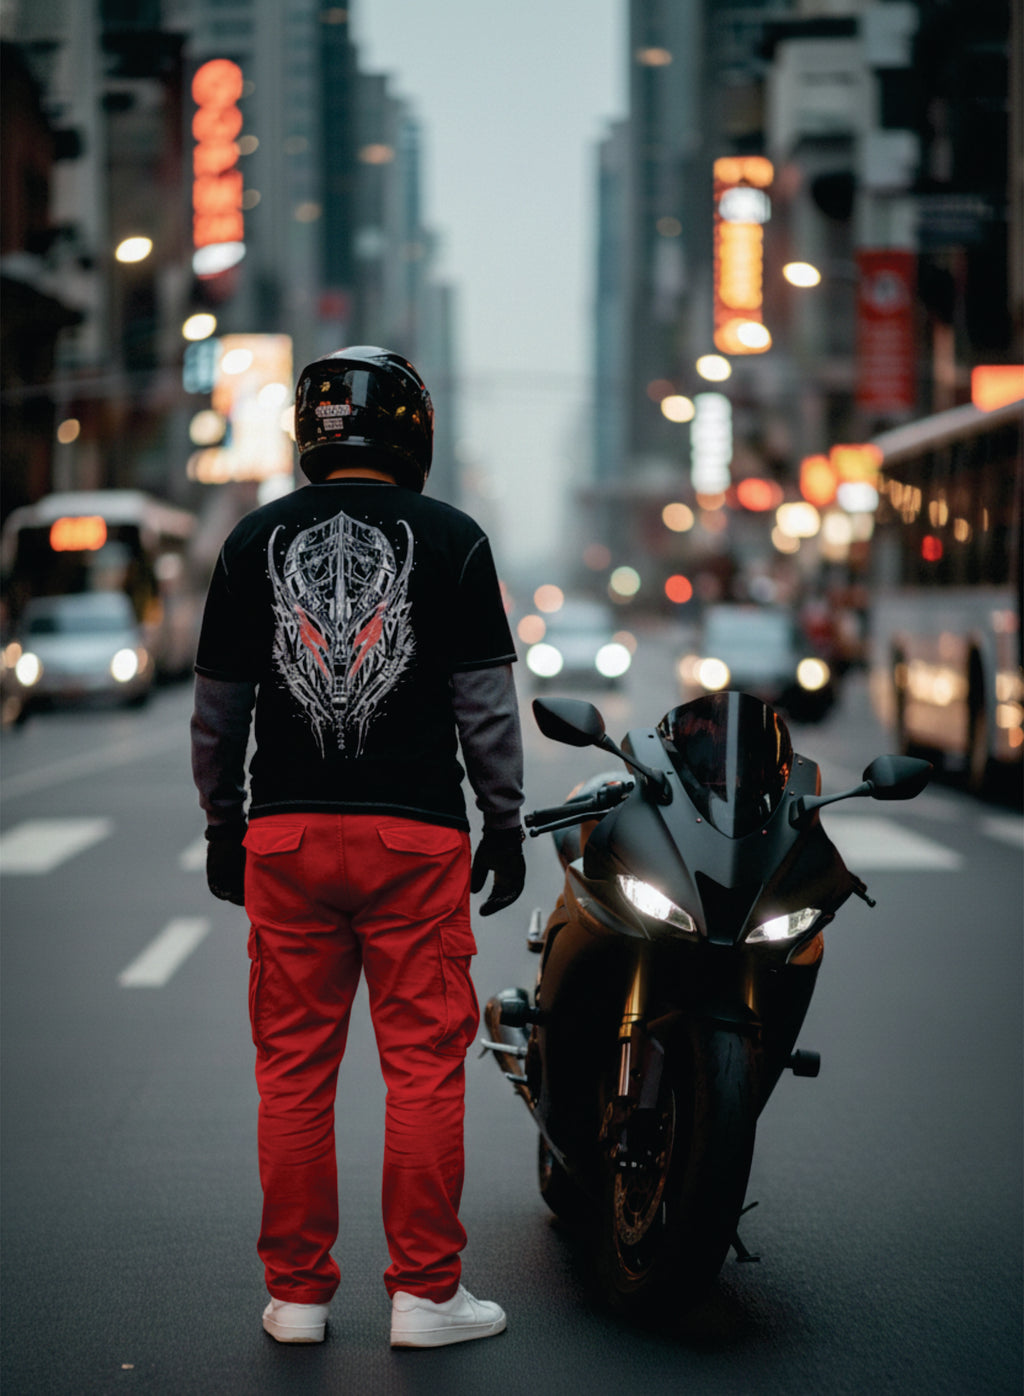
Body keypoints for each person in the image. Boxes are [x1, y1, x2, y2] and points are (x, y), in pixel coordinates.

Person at [190, 345, 526, 1349]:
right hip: (412, 836)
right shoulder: (455, 539)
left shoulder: (252, 541)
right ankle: (425, 1295)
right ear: (414, 431)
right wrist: (503, 821)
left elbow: (218, 713)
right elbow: (487, 714)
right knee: (422, 1065)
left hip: (286, 836)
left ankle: (297, 1297)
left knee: (292, 1070)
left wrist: (223, 824)